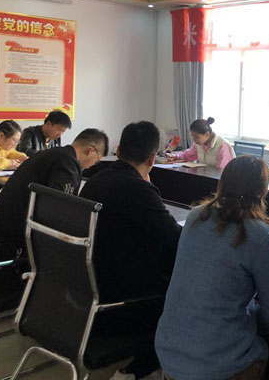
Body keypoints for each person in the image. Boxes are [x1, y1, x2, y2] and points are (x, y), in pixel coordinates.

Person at [155, 155, 269, 380]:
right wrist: (250, 321)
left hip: (169, 350)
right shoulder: (260, 235)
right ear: (262, 191)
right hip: (219, 363)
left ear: (222, 183)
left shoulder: (195, 216)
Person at [80, 121, 182, 380]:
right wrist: (148, 187)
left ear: (118, 150)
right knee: (185, 298)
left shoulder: (96, 180)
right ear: (152, 158)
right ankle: (136, 370)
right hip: (117, 308)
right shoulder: (137, 189)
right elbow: (176, 239)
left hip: (84, 296)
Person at [0, 128, 108, 262]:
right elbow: (60, 209)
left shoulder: (52, 154)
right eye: (96, 161)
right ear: (91, 151)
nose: (92, 166)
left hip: (1, 224)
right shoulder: (68, 163)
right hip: (14, 236)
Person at [167, 117, 235, 170]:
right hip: (206, 177)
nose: (194, 140)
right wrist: (175, 156)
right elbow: (187, 155)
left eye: (196, 137)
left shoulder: (222, 146)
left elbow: (222, 171)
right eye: (193, 137)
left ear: (207, 134)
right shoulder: (199, 144)